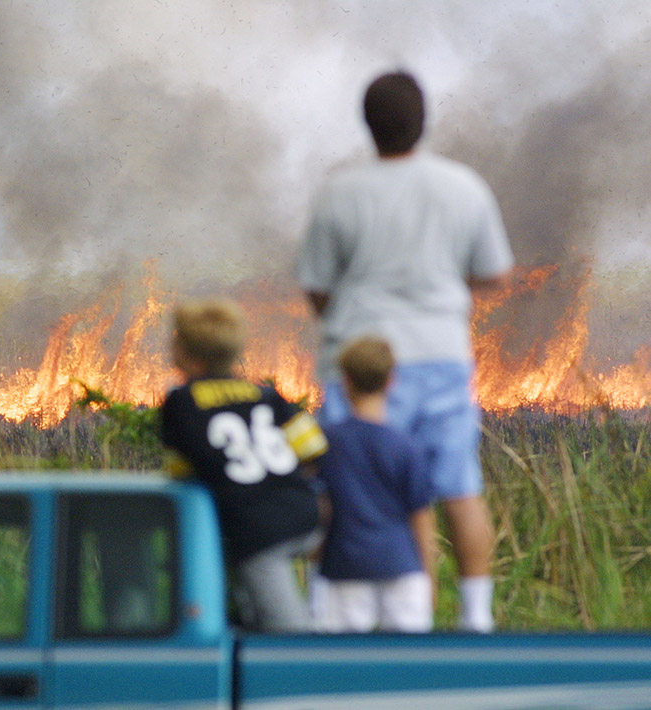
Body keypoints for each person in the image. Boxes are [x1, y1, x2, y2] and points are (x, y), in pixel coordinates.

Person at [297, 70, 514, 632]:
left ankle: (324, 609)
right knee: (459, 488)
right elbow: (494, 271)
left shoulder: (339, 192)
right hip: (441, 356)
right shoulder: (463, 187)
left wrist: (343, 320)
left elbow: (316, 285)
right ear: (424, 121)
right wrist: (440, 287)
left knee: (335, 486)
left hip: (360, 360)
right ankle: (475, 618)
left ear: (366, 123)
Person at [160, 298, 328, 632]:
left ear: (185, 354)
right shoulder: (264, 394)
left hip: (258, 533)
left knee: (289, 634)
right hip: (307, 516)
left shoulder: (181, 403)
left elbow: (180, 474)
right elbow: (315, 449)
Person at [309, 336, 436, 633]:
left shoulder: (326, 443)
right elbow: (420, 517)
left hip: (344, 567)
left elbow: (321, 509)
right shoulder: (406, 447)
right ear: (391, 382)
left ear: (346, 381)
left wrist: (316, 560)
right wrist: (428, 577)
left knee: (342, 656)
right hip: (401, 566)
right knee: (408, 656)